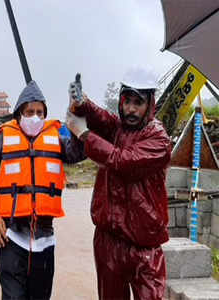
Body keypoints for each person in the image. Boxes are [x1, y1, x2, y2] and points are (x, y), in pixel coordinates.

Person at [0, 81, 85, 300]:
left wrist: (77, 117)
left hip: (45, 241)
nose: (35, 117)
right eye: (30, 112)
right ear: (19, 115)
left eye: (40, 112)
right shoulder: (1, 142)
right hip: (11, 238)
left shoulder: (58, 141)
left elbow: (80, 151)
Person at [66, 81, 171, 299]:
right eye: (127, 101)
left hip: (145, 246)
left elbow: (124, 161)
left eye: (138, 103)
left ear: (150, 104)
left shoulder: (158, 139)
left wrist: (84, 134)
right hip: (109, 240)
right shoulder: (119, 128)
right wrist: (82, 103)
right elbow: (104, 119)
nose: (131, 109)